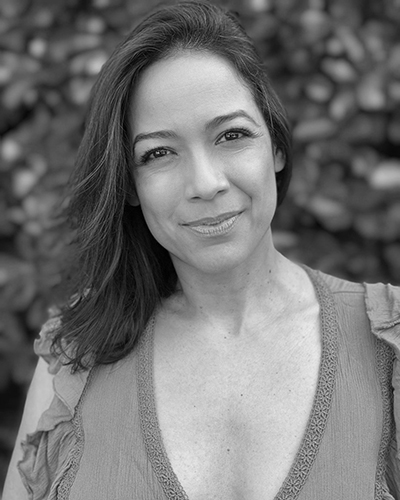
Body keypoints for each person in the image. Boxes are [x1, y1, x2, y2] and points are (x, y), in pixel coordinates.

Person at [3, 1, 400, 498]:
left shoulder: (388, 347)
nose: (206, 183)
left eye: (232, 135)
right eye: (158, 153)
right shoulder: (72, 360)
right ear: (130, 185)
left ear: (276, 147)